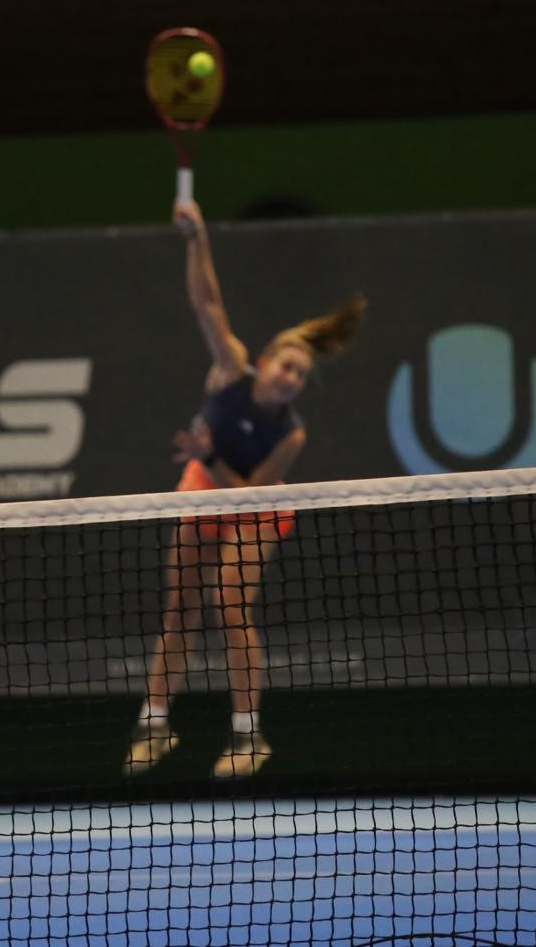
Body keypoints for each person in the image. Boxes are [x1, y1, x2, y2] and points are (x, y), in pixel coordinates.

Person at [124, 199, 366, 780]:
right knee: (180, 608)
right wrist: (197, 239)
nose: (292, 378)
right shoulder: (230, 370)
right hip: (202, 487)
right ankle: (154, 725)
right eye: (286, 367)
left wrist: (208, 454)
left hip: (253, 504)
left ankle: (248, 736)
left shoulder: (291, 434)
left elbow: (246, 491)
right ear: (265, 362)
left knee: (229, 605)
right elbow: (207, 304)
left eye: (300, 376)